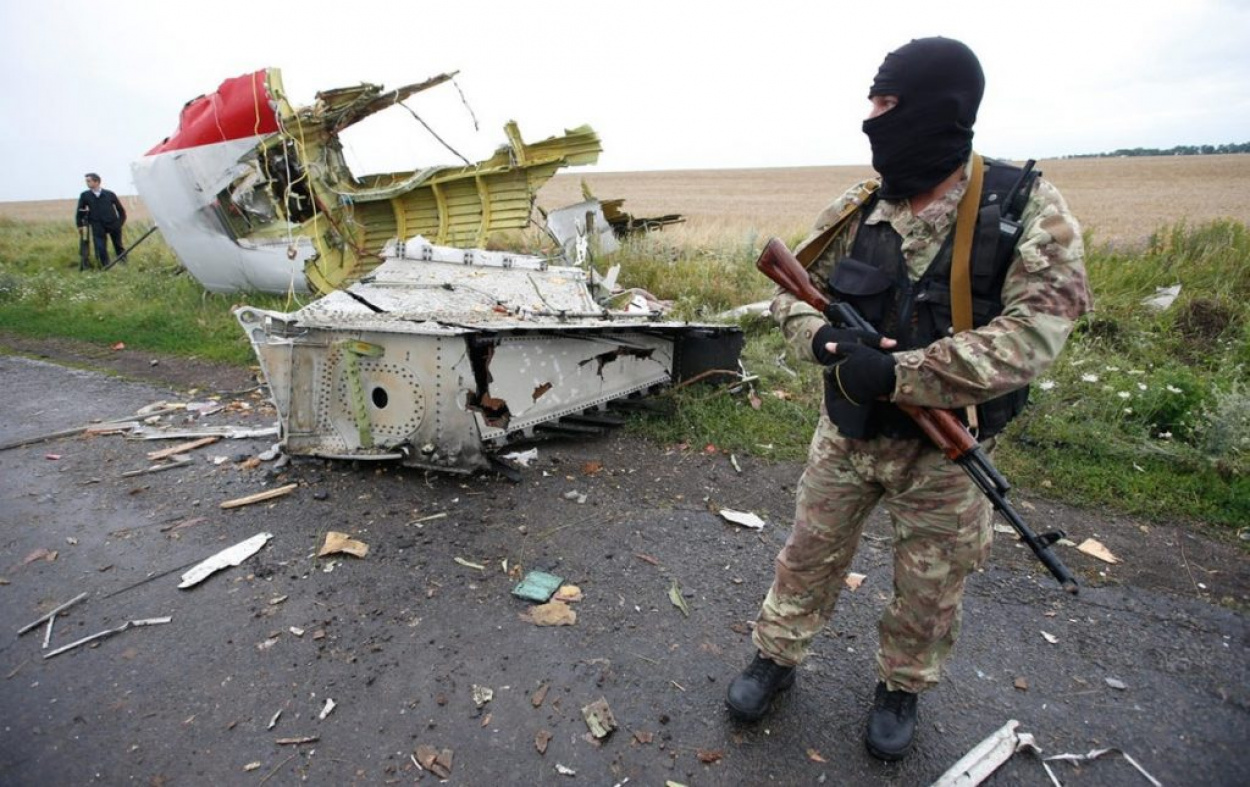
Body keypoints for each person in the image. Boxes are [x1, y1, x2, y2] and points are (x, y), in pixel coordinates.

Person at [725, 37, 1093, 761]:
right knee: (806, 557)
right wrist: (823, 344)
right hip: (848, 432)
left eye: (888, 104)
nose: (872, 119)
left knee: (930, 587)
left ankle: (902, 686)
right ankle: (776, 655)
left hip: (945, 449)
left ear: (940, 109)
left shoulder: (1022, 206)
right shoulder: (863, 203)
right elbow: (792, 293)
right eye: (872, 101)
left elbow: (1037, 334)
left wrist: (901, 374)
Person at [76, 173, 127, 268]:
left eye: (89, 181)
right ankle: (106, 266)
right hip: (97, 225)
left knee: (118, 246)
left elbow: (121, 211)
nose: (87, 183)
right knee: (100, 247)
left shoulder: (109, 194)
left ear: (97, 181)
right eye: (86, 181)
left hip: (113, 224)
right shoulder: (85, 195)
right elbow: (80, 211)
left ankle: (124, 265)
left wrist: (119, 224)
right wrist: (79, 225)